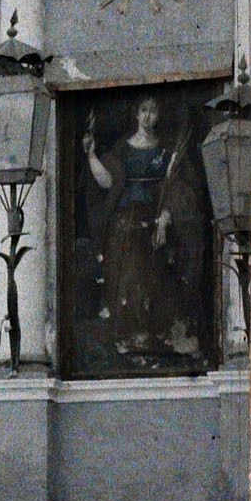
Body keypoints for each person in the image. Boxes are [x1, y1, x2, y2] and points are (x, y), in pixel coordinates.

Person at [82, 95, 203, 359]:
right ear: (136, 115)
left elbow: (177, 190)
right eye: (144, 110)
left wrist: (166, 216)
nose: (148, 116)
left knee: (159, 277)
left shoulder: (166, 152)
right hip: (125, 225)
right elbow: (106, 183)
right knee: (129, 274)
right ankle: (130, 335)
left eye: (153, 110)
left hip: (158, 223)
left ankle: (161, 334)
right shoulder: (122, 149)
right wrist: (91, 155)